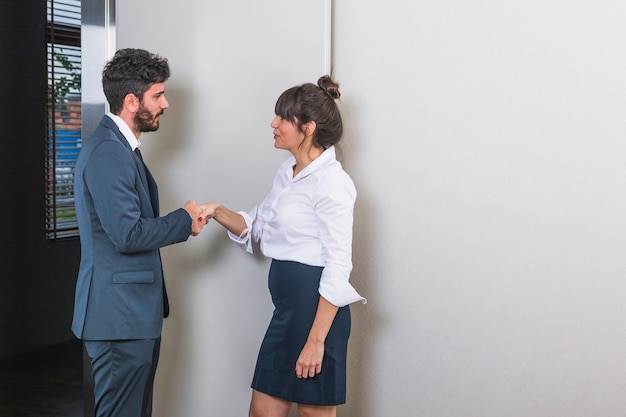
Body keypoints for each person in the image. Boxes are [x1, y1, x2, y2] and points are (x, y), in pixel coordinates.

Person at [202, 76, 366, 417]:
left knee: (313, 413)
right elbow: (256, 225)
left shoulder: (332, 183)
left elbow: (338, 267)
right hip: (288, 313)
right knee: (262, 410)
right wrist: (216, 210)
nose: (273, 124)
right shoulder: (286, 173)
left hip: (317, 316)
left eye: (282, 118)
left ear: (307, 128)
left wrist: (315, 341)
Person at [71, 48, 208, 417]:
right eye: (157, 95)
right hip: (119, 319)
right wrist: (183, 220)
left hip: (130, 317)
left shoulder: (121, 149)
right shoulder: (108, 153)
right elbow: (127, 234)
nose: (165, 104)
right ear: (132, 102)